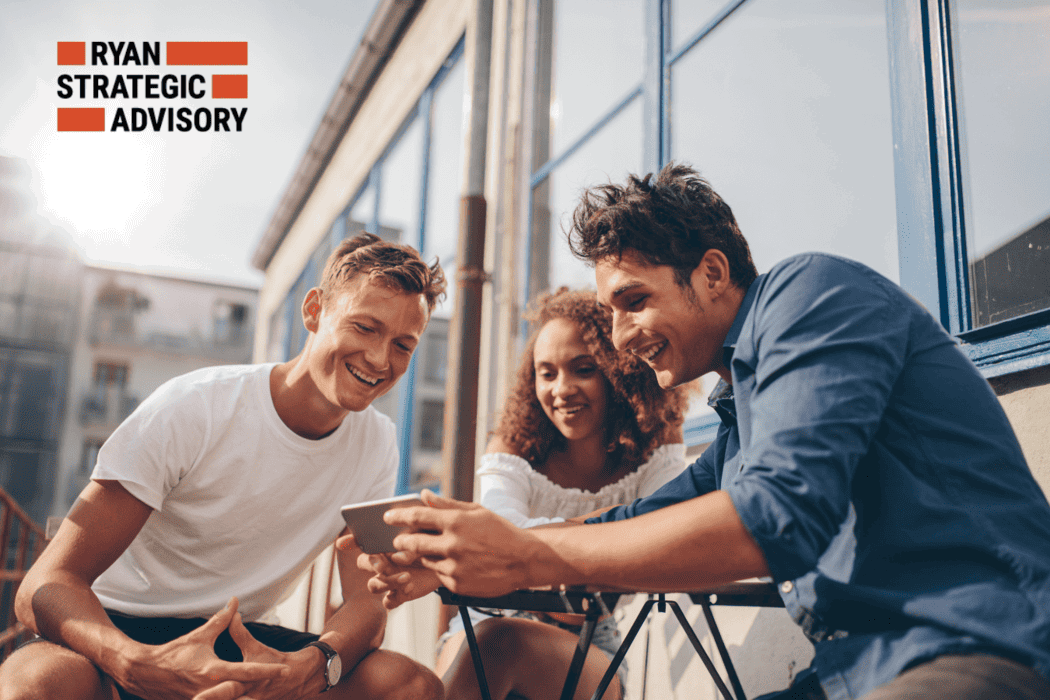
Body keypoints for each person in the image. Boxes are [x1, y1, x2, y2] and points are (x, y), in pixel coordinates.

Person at [355, 164, 1050, 700]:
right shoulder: (742, 419)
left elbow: (774, 518)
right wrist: (466, 558)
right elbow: (626, 523)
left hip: (980, 646)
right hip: (853, 671)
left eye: (634, 301)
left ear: (712, 273)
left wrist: (524, 560)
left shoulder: (812, 295)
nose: (622, 339)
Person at [0, 233, 446, 700]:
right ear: (314, 310)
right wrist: (133, 662)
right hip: (116, 627)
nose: (380, 359)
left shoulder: (377, 444)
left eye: (403, 345)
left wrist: (316, 665)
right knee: (34, 685)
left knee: (408, 686)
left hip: (241, 638)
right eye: (365, 327)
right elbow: (43, 585)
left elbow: (364, 597)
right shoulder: (196, 406)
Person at [367, 287, 688, 700]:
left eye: (583, 368)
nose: (562, 389)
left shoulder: (655, 441)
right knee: (491, 639)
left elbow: (664, 527)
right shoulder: (513, 445)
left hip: (590, 633)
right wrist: (612, 529)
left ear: (619, 370)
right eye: (547, 373)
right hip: (486, 617)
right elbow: (503, 528)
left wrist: (514, 548)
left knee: (499, 644)